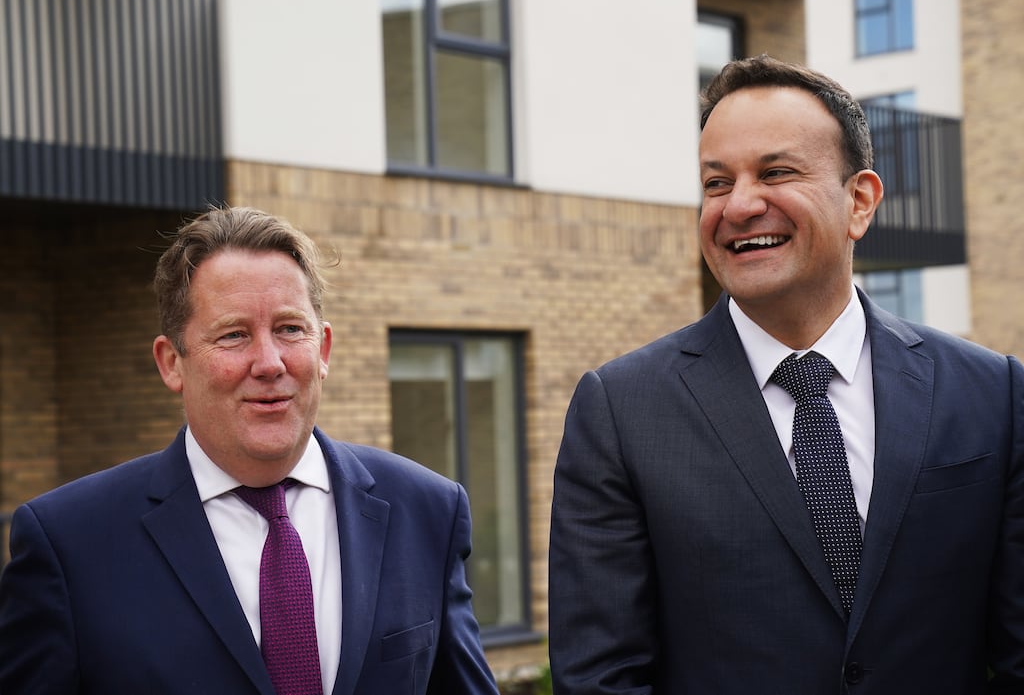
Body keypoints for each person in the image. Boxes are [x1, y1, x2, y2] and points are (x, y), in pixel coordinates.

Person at [548, 54, 1024, 693]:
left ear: (859, 200)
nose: (739, 206)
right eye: (716, 183)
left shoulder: (993, 393)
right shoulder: (621, 410)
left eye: (775, 172)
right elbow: (601, 677)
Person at [0, 206, 501, 695]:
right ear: (172, 362)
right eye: (234, 335)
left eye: (289, 329)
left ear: (323, 349)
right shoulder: (70, 545)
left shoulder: (428, 510)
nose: (269, 362)